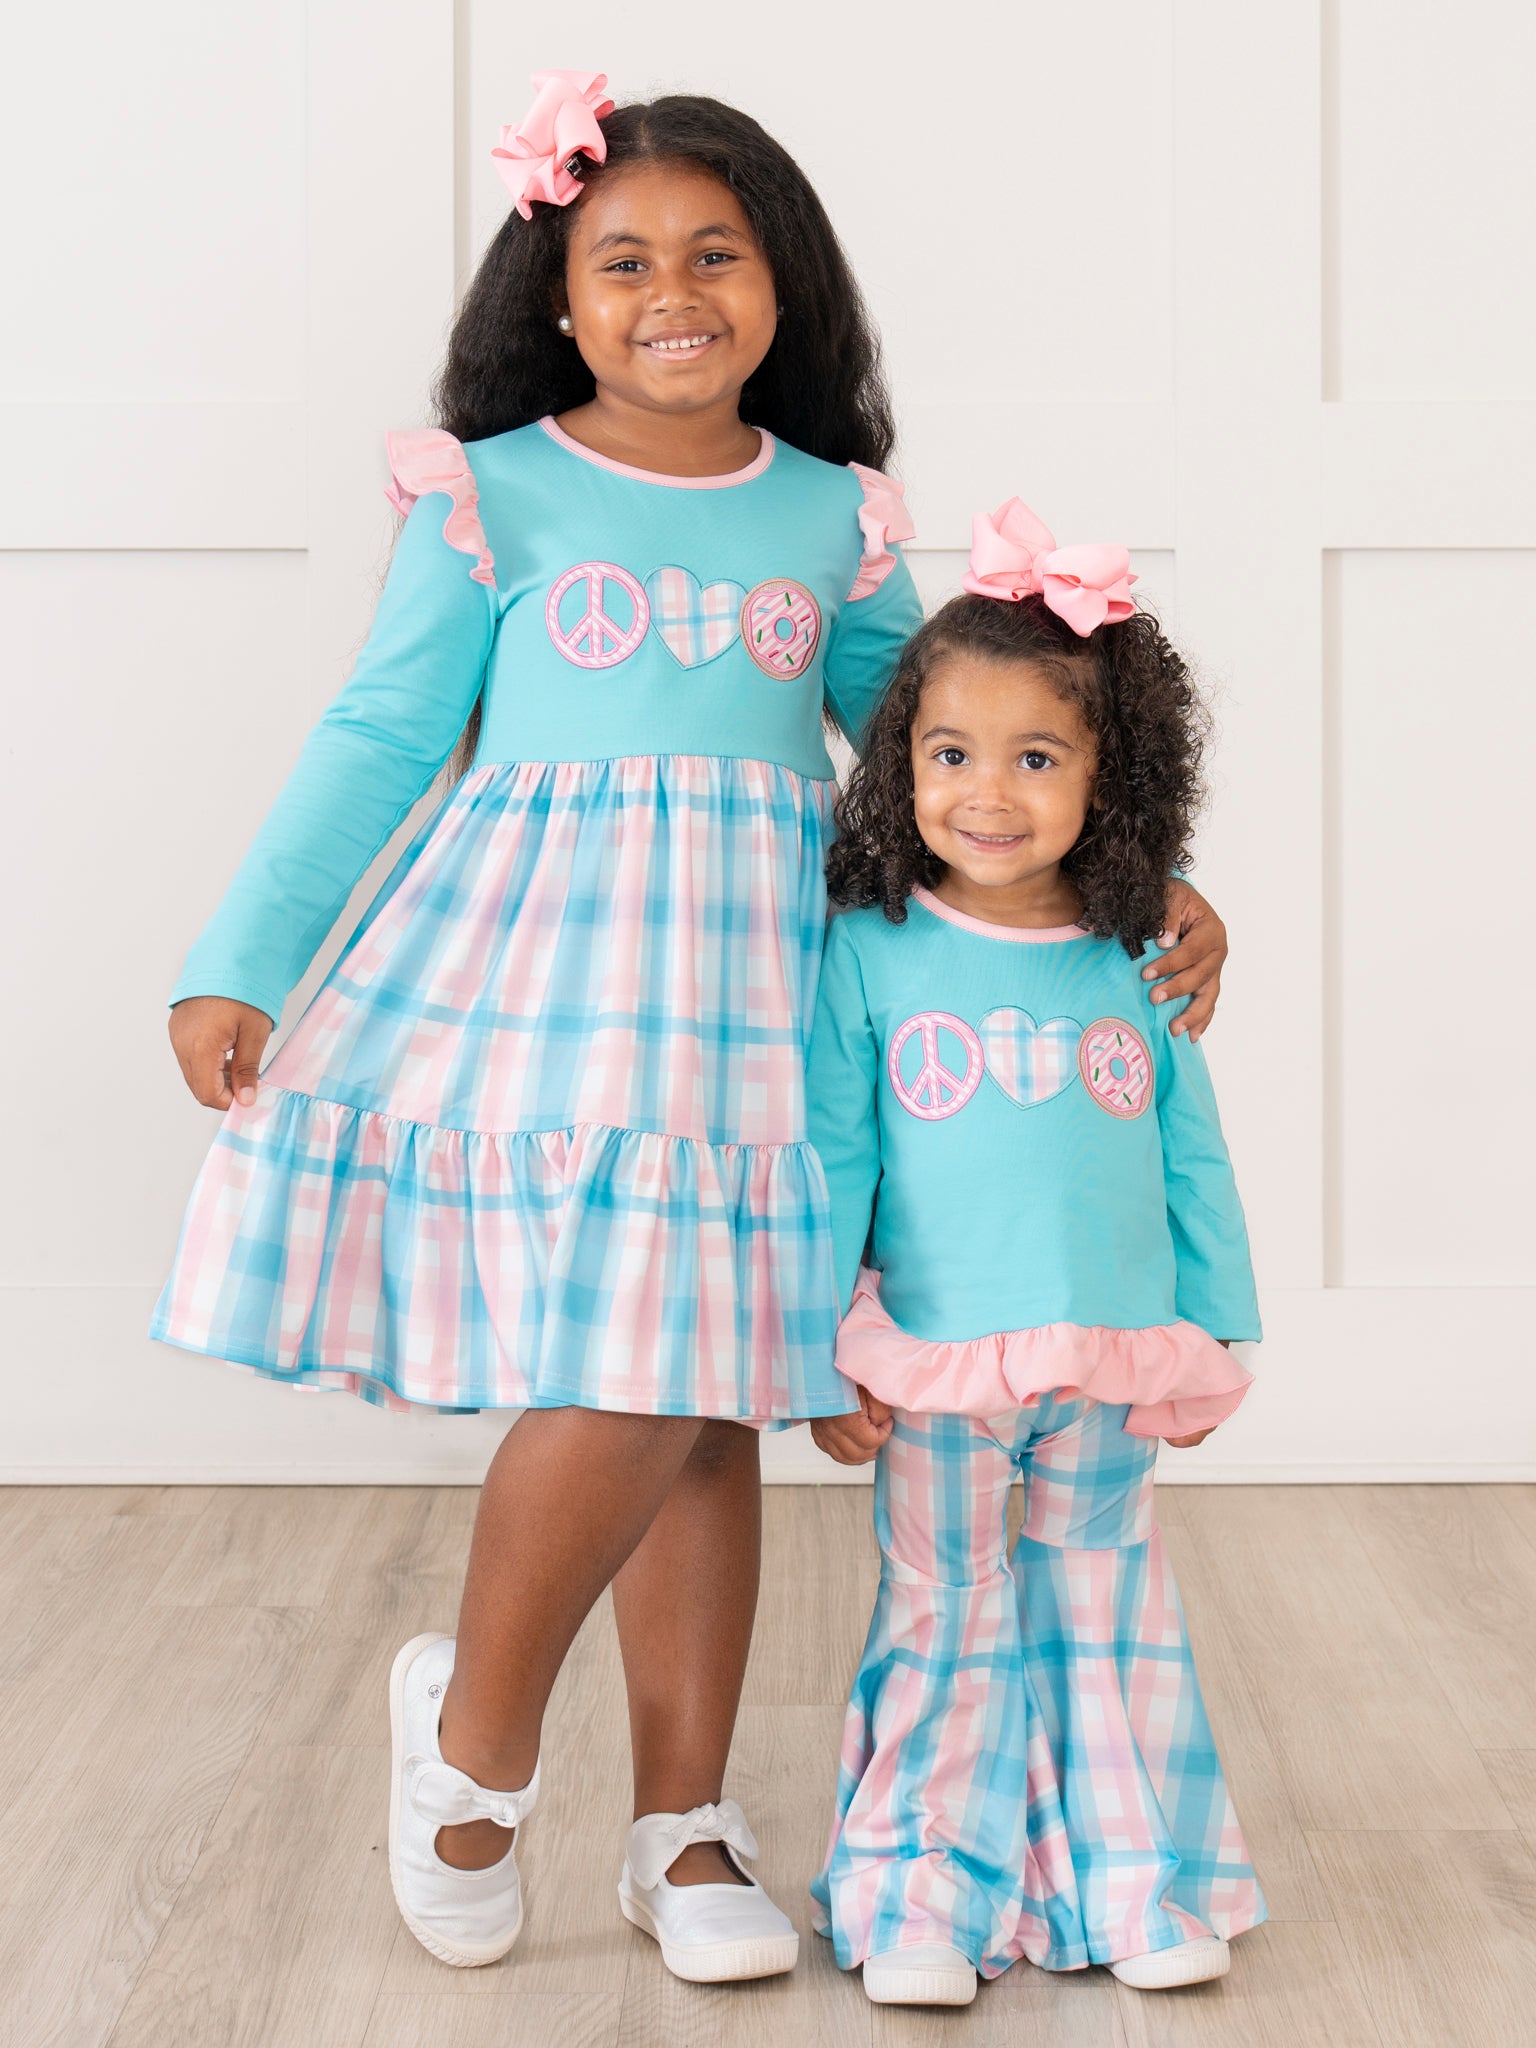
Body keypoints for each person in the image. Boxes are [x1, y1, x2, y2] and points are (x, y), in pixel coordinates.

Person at [151, 66, 1230, 1985]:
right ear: (558, 299)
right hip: (547, 988)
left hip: (761, 1000)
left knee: (710, 1386)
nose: (672, 291)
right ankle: (476, 1742)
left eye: (717, 254)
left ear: (784, 284)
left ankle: (684, 1819)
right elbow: (386, 728)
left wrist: (1140, 883)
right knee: (638, 1368)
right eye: (624, 258)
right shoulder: (491, 492)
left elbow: (949, 753)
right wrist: (244, 953)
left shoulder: (830, 515)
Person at [805, 498, 1263, 2007]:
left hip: (1114, 1353)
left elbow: (1189, 1151)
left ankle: (1132, 1882)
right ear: (902, 763)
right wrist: (820, 1345)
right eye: (950, 754)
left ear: (1110, 778)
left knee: (1104, 1606)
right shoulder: (868, 949)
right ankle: (920, 1897)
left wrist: (1216, 1334)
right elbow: (839, 1161)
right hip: (935, 1360)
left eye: (1037, 759)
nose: (986, 794)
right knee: (943, 1612)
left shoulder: (1141, 957)